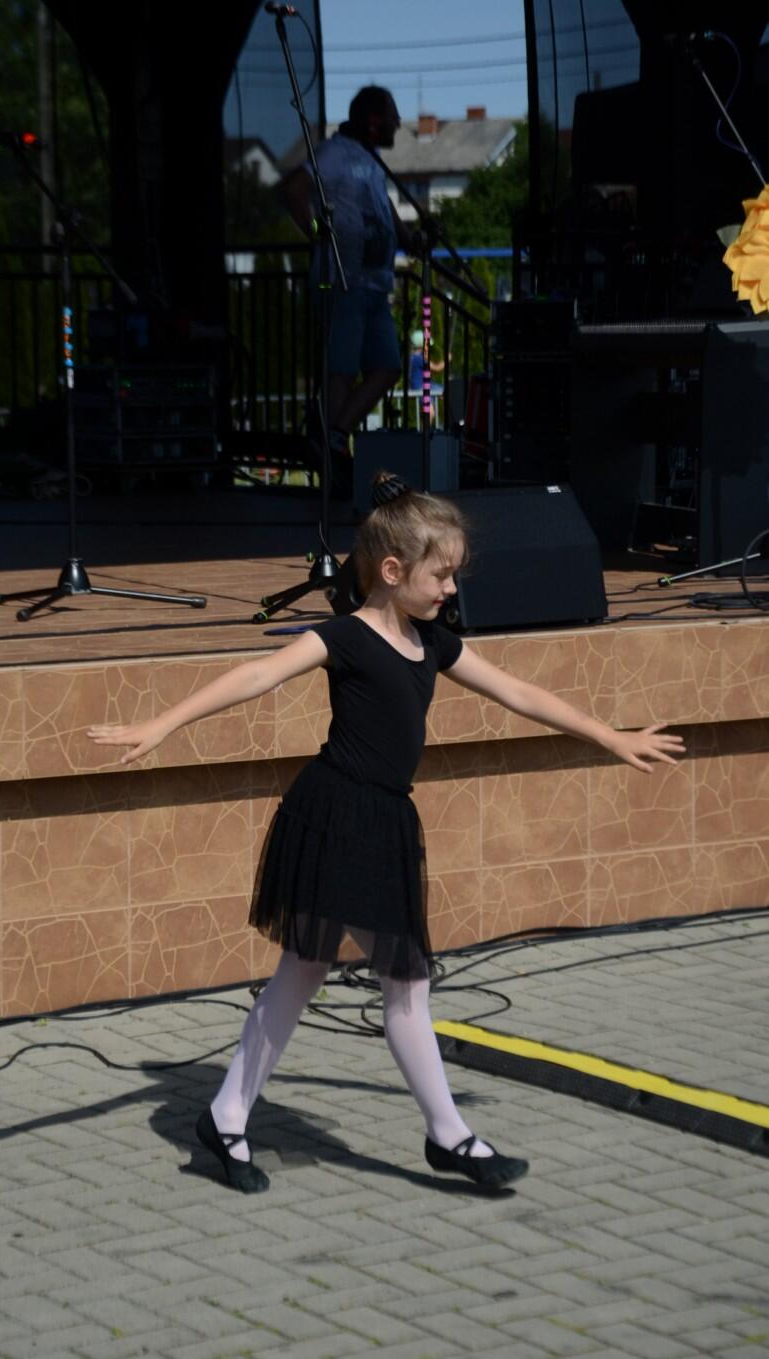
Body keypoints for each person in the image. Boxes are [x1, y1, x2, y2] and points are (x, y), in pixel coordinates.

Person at [88, 472, 685, 1195]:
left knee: (314, 973)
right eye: (442, 575)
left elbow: (519, 693)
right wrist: (161, 724)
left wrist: (609, 736)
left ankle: (230, 1115)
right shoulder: (343, 636)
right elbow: (256, 675)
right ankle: (446, 1135)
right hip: (336, 813)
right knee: (396, 981)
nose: (451, 590)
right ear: (393, 571)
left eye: (455, 575)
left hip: (384, 820)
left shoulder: (433, 642)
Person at [281, 86, 419, 457]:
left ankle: (335, 433)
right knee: (341, 369)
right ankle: (330, 446)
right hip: (342, 280)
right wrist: (316, 232)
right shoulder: (335, 153)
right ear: (373, 122)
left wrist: (409, 239)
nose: (398, 123)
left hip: (373, 284)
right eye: (392, 116)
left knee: (387, 366)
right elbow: (294, 190)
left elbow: (382, 205)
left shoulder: (369, 159)